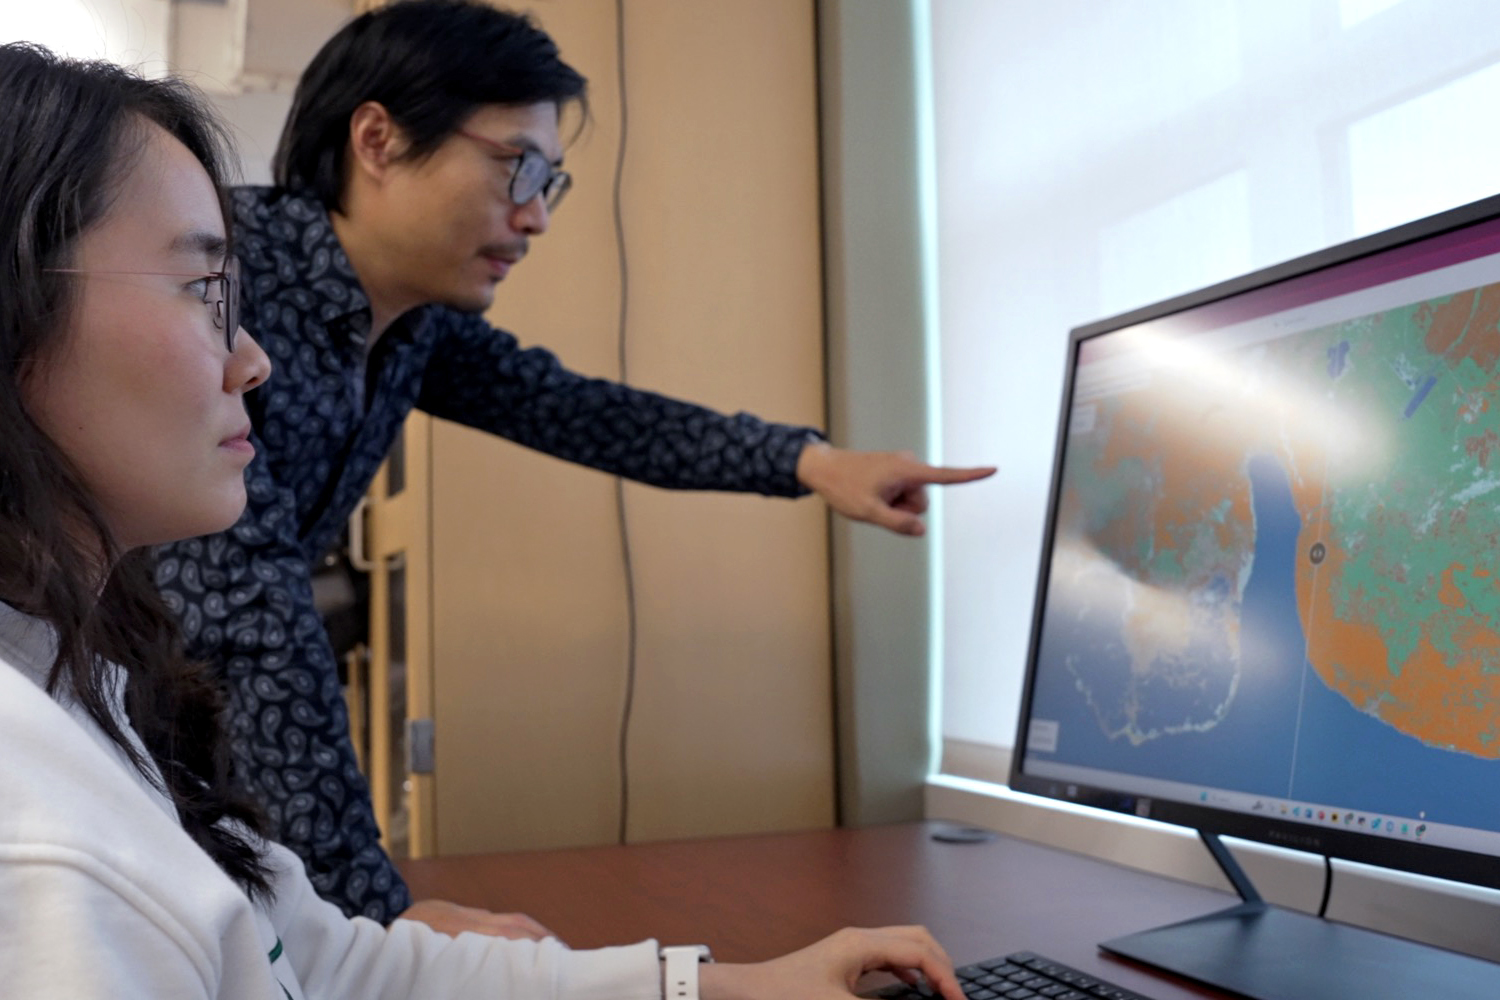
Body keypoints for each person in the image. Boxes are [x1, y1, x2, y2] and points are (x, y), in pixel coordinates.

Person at [0, 41, 969, 1000]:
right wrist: (378, 906)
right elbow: (257, 639)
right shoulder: (264, 287)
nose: (536, 213)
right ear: (377, 139)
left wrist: (811, 461)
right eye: (519, 167)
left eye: (553, 180)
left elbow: (582, 411)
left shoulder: (408, 327)